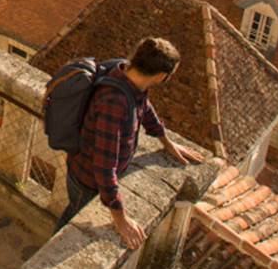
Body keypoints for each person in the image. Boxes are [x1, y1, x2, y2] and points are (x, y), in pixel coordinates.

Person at [58, 37, 203, 248]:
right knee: (71, 220)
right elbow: (104, 166)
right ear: (162, 76)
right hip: (87, 179)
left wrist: (166, 140)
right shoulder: (114, 102)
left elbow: (145, 108)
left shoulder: (125, 74)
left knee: (72, 213)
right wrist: (121, 219)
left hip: (84, 166)